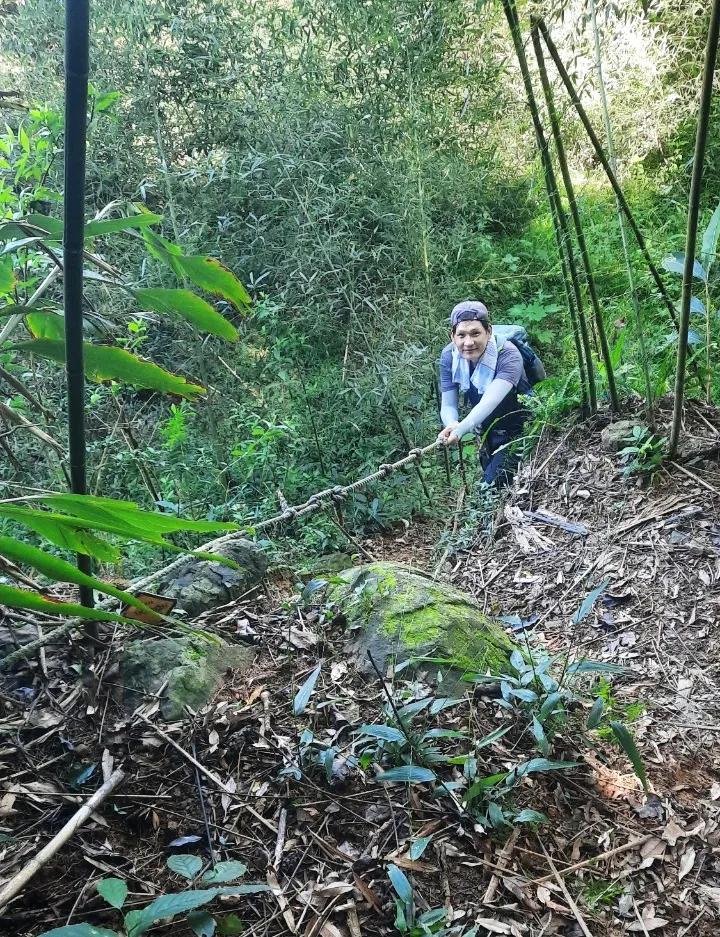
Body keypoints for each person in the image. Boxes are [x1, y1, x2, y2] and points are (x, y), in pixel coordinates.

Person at [437, 300, 532, 487]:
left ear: (489, 333)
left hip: (521, 431)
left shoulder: (509, 356)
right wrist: (451, 423)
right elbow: (448, 405)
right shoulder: (449, 357)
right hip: (487, 433)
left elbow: (489, 402)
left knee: (488, 488)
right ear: (452, 337)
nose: (468, 342)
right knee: (495, 487)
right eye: (461, 335)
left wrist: (460, 429)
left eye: (475, 333)